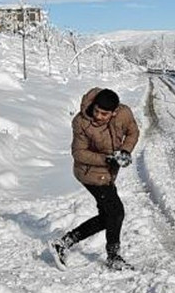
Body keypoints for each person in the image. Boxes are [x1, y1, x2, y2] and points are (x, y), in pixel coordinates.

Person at [50, 87, 141, 271]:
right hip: (89, 172)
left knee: (107, 217)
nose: (98, 116)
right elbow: (78, 153)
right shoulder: (81, 122)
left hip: (107, 173)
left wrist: (125, 151)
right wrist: (107, 159)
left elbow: (133, 132)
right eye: (97, 111)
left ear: (114, 112)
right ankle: (113, 257)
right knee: (116, 213)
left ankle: (64, 242)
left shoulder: (124, 114)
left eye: (104, 114)